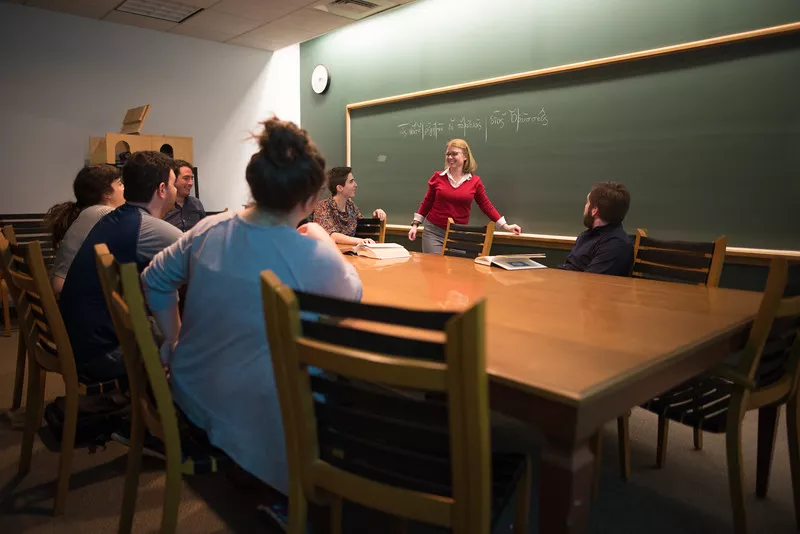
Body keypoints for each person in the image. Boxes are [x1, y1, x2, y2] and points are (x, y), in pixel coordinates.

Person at [141, 118, 362, 496]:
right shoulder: (310, 253)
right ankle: (299, 490)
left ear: (254, 185)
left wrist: (175, 340)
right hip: (241, 414)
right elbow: (351, 295)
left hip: (188, 388)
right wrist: (323, 236)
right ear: (310, 201)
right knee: (339, 391)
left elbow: (154, 279)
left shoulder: (209, 228)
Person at [59, 151, 181, 381]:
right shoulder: (148, 228)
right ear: (162, 189)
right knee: (199, 343)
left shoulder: (115, 218)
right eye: (174, 184)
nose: (176, 191)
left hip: (80, 340)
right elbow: (204, 264)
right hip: (102, 353)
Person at [408, 139, 521, 254]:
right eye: (448, 154)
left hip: (458, 234)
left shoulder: (475, 182)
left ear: (465, 156)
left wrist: (505, 226)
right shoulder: (438, 177)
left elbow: (486, 205)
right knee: (435, 269)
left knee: (457, 269)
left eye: (454, 154)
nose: (450, 157)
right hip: (434, 232)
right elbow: (427, 202)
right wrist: (415, 225)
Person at [45, 164, 126, 294]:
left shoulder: (89, 213)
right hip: (72, 294)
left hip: (66, 289)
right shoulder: (104, 213)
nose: (124, 188)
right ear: (106, 194)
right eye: (120, 184)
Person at [559, 181, 634, 276]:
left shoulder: (615, 245)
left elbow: (591, 282)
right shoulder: (587, 235)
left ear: (594, 210)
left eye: (587, 203)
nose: (585, 207)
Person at [312, 166, 387, 245]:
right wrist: (359, 241)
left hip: (350, 254)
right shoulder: (323, 207)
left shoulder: (351, 206)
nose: (356, 185)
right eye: (351, 182)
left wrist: (376, 217)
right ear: (340, 188)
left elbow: (362, 227)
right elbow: (331, 235)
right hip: (328, 254)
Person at [164, 159, 206, 232]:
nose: (190, 183)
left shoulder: (196, 203)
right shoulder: (163, 205)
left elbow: (205, 230)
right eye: (186, 178)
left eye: (192, 178)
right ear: (174, 179)